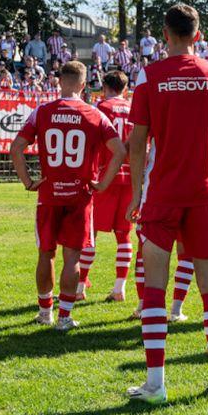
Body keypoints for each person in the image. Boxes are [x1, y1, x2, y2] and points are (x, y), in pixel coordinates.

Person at [124, 3, 208, 403]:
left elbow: (137, 143)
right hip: (204, 192)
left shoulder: (150, 76)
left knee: (155, 286)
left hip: (163, 193)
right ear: (198, 35)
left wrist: (136, 192)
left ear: (164, 34)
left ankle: (156, 384)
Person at [9, 61, 125, 331]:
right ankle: (65, 317)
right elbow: (119, 150)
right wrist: (103, 183)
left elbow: (17, 148)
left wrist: (28, 181)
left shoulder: (42, 111)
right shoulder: (94, 114)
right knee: (72, 257)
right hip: (80, 196)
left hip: (49, 195)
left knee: (46, 254)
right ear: (84, 86)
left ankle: (44, 311)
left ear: (59, 82)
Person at [76, 71, 135, 303]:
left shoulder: (100, 108)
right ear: (126, 89)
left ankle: (80, 286)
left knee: (91, 234)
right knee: (124, 235)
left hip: (104, 176)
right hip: (129, 177)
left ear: (104, 87)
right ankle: (119, 287)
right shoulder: (134, 109)